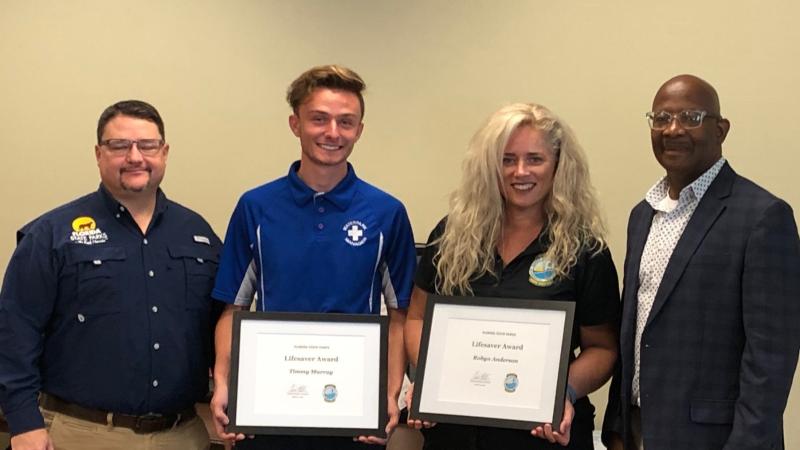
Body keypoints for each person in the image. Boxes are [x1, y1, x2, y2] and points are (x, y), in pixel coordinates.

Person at [209, 64, 416, 450]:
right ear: (295, 123)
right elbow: (233, 309)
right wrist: (223, 382)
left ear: (359, 130)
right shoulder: (255, 207)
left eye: (346, 122)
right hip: (268, 409)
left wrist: (388, 394)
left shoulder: (387, 212)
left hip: (355, 414)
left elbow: (400, 313)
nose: (333, 133)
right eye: (319, 119)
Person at [0, 100, 222, 450]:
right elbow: (15, 331)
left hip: (182, 434)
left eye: (147, 145)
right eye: (119, 146)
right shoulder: (51, 235)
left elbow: (221, 326)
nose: (135, 156)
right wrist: (23, 422)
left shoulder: (198, 234)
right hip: (80, 434)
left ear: (164, 152)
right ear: (99, 153)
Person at [602, 74, 800, 450]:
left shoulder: (763, 216)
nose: (672, 129)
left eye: (691, 118)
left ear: (721, 129)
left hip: (717, 439)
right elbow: (637, 329)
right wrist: (618, 426)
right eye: (660, 118)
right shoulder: (642, 216)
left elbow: (771, 357)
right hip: (641, 431)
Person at [405, 103, 620, 449]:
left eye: (535, 159)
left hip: (544, 434)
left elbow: (602, 348)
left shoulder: (585, 250)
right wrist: (430, 375)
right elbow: (417, 317)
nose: (520, 171)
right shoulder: (452, 235)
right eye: (507, 159)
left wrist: (561, 392)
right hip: (455, 432)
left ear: (558, 165)